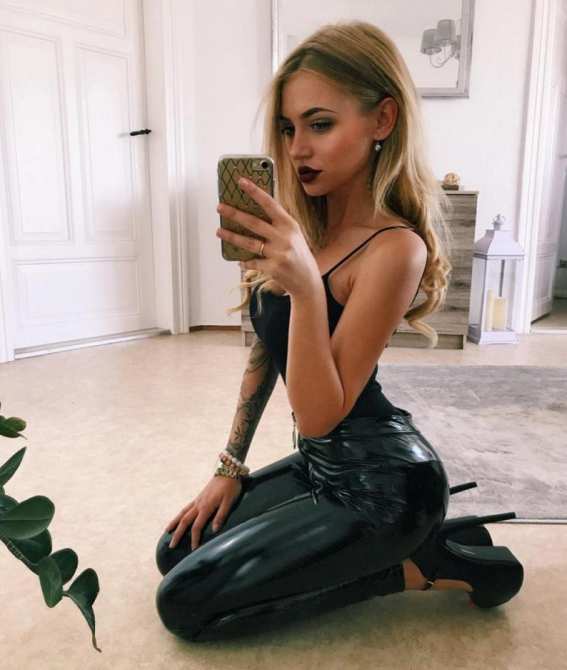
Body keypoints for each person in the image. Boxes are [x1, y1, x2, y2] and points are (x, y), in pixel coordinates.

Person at [154, 20, 524, 642]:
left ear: (383, 120)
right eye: (288, 128)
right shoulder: (303, 230)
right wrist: (229, 466)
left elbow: (320, 414)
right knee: (176, 552)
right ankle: (403, 547)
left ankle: (420, 565)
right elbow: (267, 352)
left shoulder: (394, 248)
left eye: (320, 124)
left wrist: (305, 289)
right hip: (318, 466)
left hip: (387, 486)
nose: (298, 149)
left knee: (185, 606)